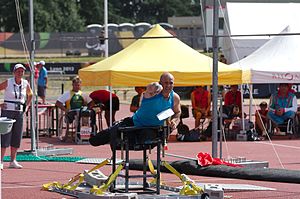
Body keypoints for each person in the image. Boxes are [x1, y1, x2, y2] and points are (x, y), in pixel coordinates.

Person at [89, 72, 181, 147]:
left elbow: (177, 112)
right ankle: (93, 138)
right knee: (97, 140)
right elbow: (150, 87)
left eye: (171, 83)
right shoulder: (152, 92)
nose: (168, 85)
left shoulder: (175, 98)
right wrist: (155, 86)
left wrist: (174, 121)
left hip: (152, 129)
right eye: (165, 83)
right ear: (160, 83)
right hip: (134, 122)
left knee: (143, 141)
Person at [0, 64, 33, 169]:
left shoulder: (25, 83)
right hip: (7, 111)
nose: (20, 73)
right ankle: (1, 160)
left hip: (19, 112)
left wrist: (27, 106)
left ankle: (13, 160)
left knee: (17, 136)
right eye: (18, 71)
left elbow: (31, 94)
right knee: (5, 135)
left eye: (22, 71)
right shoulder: (8, 82)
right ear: (14, 72)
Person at [55, 76, 94, 140]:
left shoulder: (83, 94)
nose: (77, 86)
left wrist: (88, 108)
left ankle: (90, 132)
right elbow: (58, 103)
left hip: (82, 112)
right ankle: (78, 135)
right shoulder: (67, 94)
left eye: (78, 85)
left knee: (89, 114)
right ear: (72, 85)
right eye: (75, 85)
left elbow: (92, 102)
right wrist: (65, 110)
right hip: (71, 112)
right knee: (78, 115)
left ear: (80, 85)